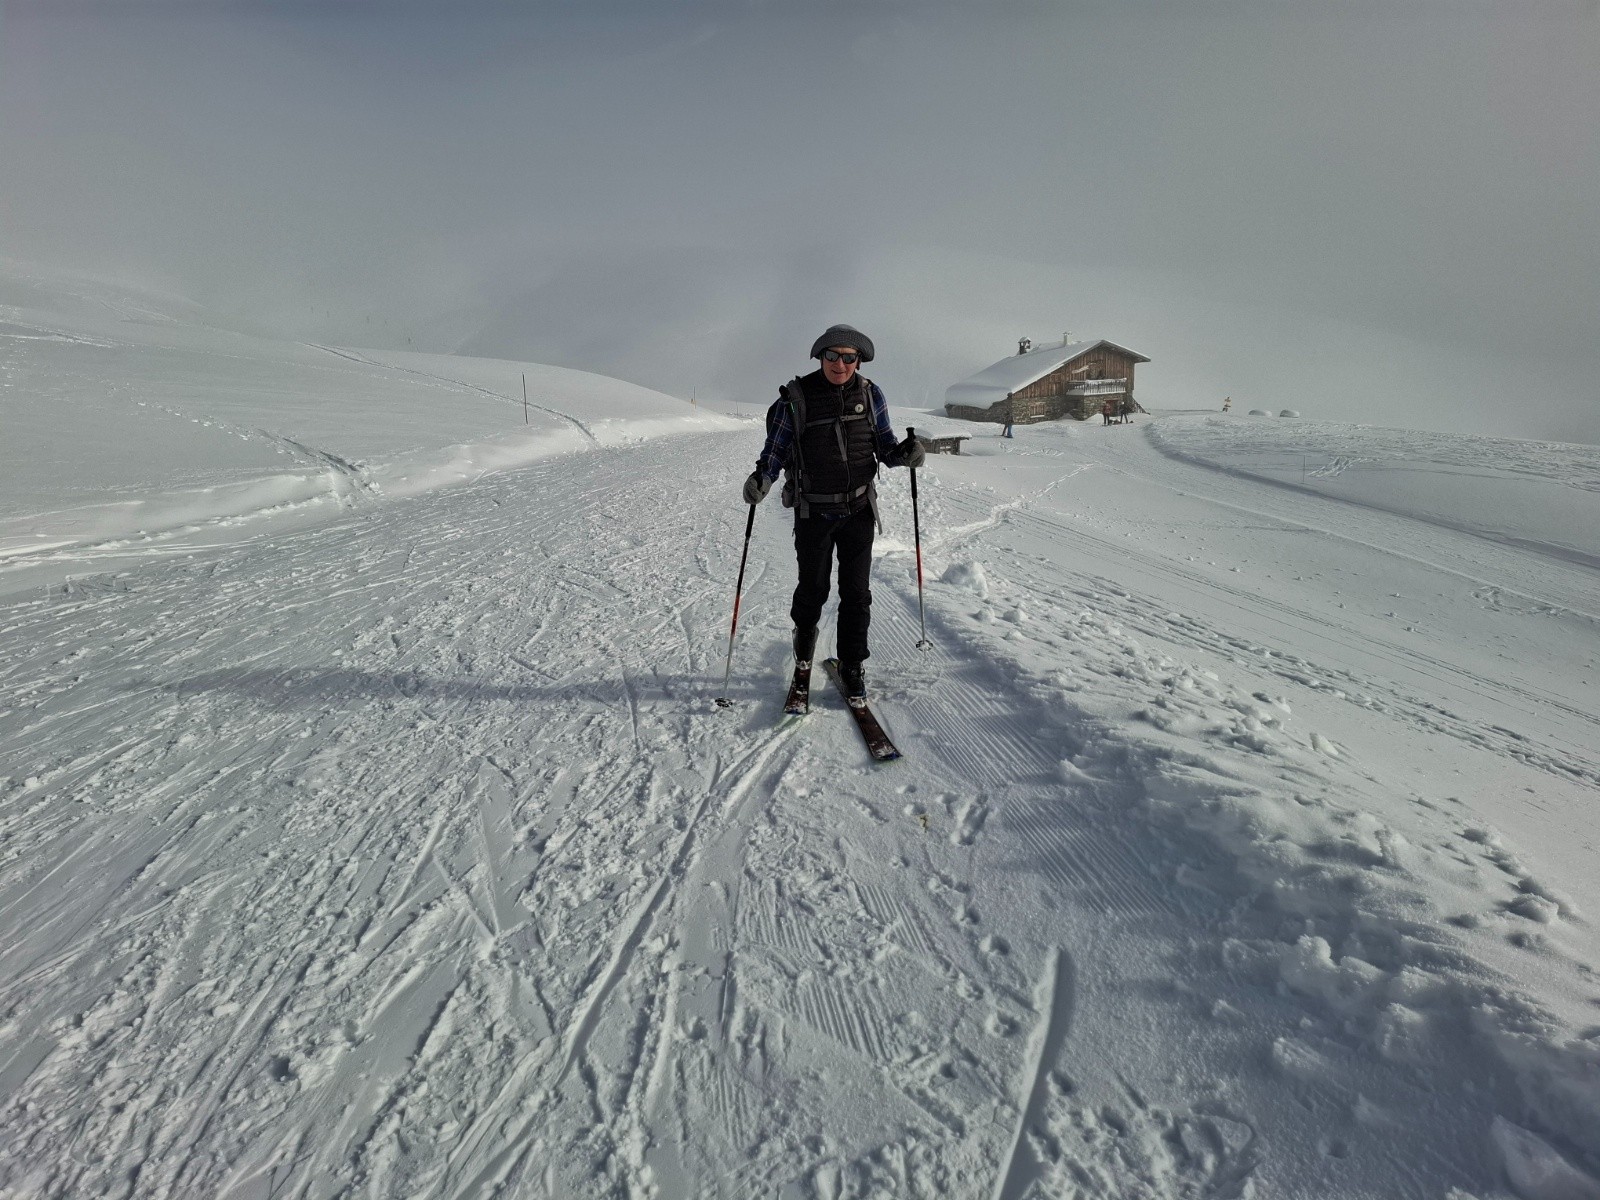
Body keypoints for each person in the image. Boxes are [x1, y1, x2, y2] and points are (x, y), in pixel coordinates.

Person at [742, 324, 925, 700]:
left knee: (856, 592)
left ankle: (852, 665)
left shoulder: (871, 395)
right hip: (814, 512)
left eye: (848, 357)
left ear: (858, 360)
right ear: (819, 356)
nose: (840, 364)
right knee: (814, 589)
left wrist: (906, 454)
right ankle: (804, 655)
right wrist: (763, 478)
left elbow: (886, 447)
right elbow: (775, 450)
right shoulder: (794, 399)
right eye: (832, 355)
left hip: (858, 508)